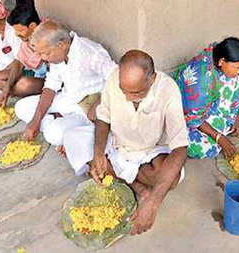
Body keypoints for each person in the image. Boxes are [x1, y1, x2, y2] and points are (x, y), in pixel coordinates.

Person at [63, 50, 188, 235]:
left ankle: (126, 181)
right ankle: (137, 187)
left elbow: (180, 147)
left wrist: (153, 203)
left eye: (136, 92)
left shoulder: (167, 89)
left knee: (173, 177)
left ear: (151, 79)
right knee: (72, 138)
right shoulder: (114, 79)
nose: (128, 97)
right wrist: (98, 155)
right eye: (124, 91)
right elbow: (103, 118)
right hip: (118, 146)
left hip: (151, 151)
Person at [15, 20, 116, 146]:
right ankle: (55, 121)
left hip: (86, 107)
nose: (42, 58)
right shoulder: (58, 56)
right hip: (67, 98)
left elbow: (115, 77)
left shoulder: (90, 52)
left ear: (61, 45)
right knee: (21, 107)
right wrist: (35, 121)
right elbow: (51, 86)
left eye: (45, 53)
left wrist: (99, 102)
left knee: (53, 134)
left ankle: (59, 125)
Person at [173, 37, 239, 160]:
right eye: (237, 67)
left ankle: (224, 127)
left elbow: (235, 91)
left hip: (205, 106)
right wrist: (220, 138)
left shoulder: (217, 60)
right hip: (186, 114)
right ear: (221, 61)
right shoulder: (201, 82)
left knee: (233, 80)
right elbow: (192, 117)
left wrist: (236, 117)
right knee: (204, 149)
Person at [0, 4, 46, 108]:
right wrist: (5, 90)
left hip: (48, 81)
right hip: (34, 74)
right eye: (15, 30)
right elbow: (19, 63)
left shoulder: (47, 35)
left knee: (25, 84)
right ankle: (13, 92)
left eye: (19, 30)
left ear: (32, 26)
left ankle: (21, 92)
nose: (16, 34)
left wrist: (7, 87)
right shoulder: (28, 38)